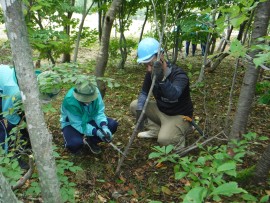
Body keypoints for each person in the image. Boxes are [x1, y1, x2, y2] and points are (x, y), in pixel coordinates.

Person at [130, 37, 193, 147]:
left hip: (179, 116)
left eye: (151, 64)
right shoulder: (151, 74)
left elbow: (174, 95)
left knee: (165, 140)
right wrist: (140, 111)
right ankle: (156, 130)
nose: (149, 69)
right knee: (135, 105)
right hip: (161, 110)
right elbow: (144, 93)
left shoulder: (179, 75)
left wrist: (162, 79)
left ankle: (181, 133)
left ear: (161, 56)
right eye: (146, 65)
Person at [0, 64, 61, 154]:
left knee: (22, 117)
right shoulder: (15, 91)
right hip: (6, 88)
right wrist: (22, 124)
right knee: (6, 125)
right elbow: (8, 113)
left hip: (9, 86)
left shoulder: (41, 78)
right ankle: (10, 153)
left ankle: (26, 143)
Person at [60, 78, 118, 155]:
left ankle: (91, 140)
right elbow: (78, 124)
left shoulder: (95, 92)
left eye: (90, 99)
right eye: (85, 99)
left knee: (112, 125)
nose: (88, 102)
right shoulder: (69, 101)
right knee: (74, 143)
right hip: (72, 124)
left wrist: (104, 126)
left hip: (90, 119)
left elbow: (99, 113)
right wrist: (96, 132)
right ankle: (74, 145)